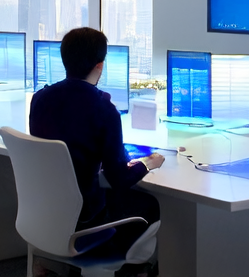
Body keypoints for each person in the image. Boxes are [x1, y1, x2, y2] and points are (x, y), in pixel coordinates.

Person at [29, 27, 163, 271]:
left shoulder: (40, 98)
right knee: (149, 204)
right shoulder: (103, 108)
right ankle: (134, 269)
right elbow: (119, 179)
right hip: (85, 219)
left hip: (44, 216)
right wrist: (147, 163)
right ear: (100, 66)